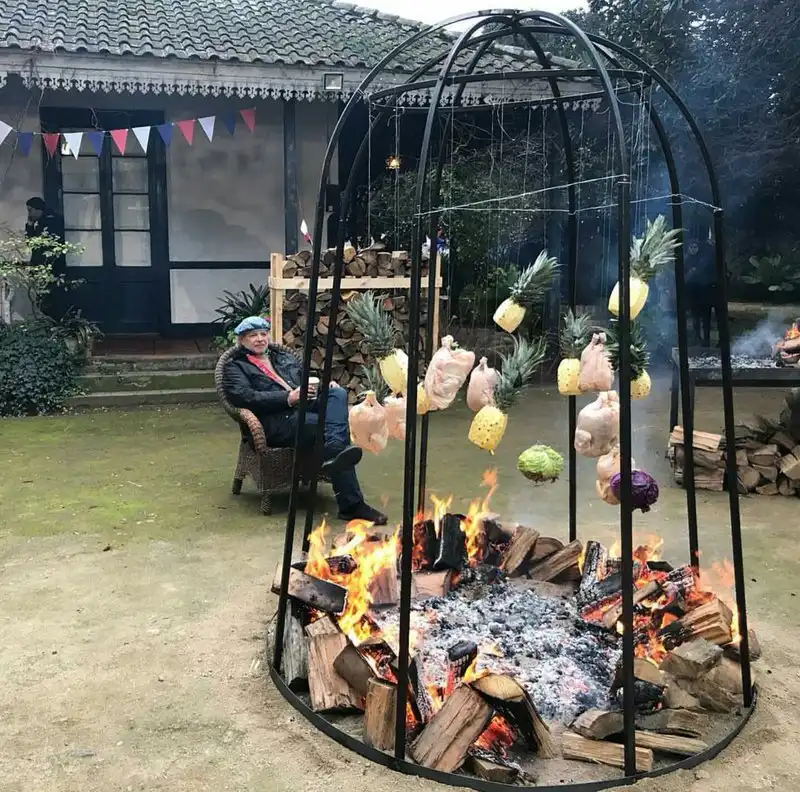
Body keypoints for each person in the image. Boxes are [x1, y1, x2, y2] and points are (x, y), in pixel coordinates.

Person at [222, 316, 387, 525]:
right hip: (277, 419)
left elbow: (306, 379)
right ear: (242, 340)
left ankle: (334, 447)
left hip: (304, 406)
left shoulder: (281, 356)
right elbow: (246, 398)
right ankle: (351, 504)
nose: (260, 339)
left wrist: (325, 385)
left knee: (337, 395)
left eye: (263, 334)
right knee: (330, 427)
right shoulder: (235, 367)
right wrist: (287, 398)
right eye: (253, 335)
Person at [685, 238, 716, 347]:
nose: (693, 249)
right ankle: (697, 337)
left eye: (695, 247)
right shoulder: (686, 260)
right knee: (695, 317)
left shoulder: (703, 260)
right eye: (691, 247)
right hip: (693, 292)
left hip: (705, 292)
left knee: (706, 317)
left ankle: (706, 339)